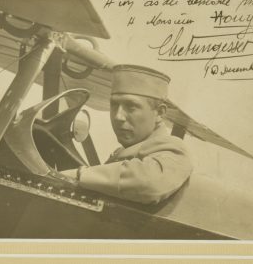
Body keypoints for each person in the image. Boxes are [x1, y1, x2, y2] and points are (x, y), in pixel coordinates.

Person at [62, 64, 193, 204]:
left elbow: (151, 183)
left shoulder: (174, 149)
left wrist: (79, 174)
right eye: (114, 105)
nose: (118, 116)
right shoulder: (122, 152)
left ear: (159, 113)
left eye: (131, 106)